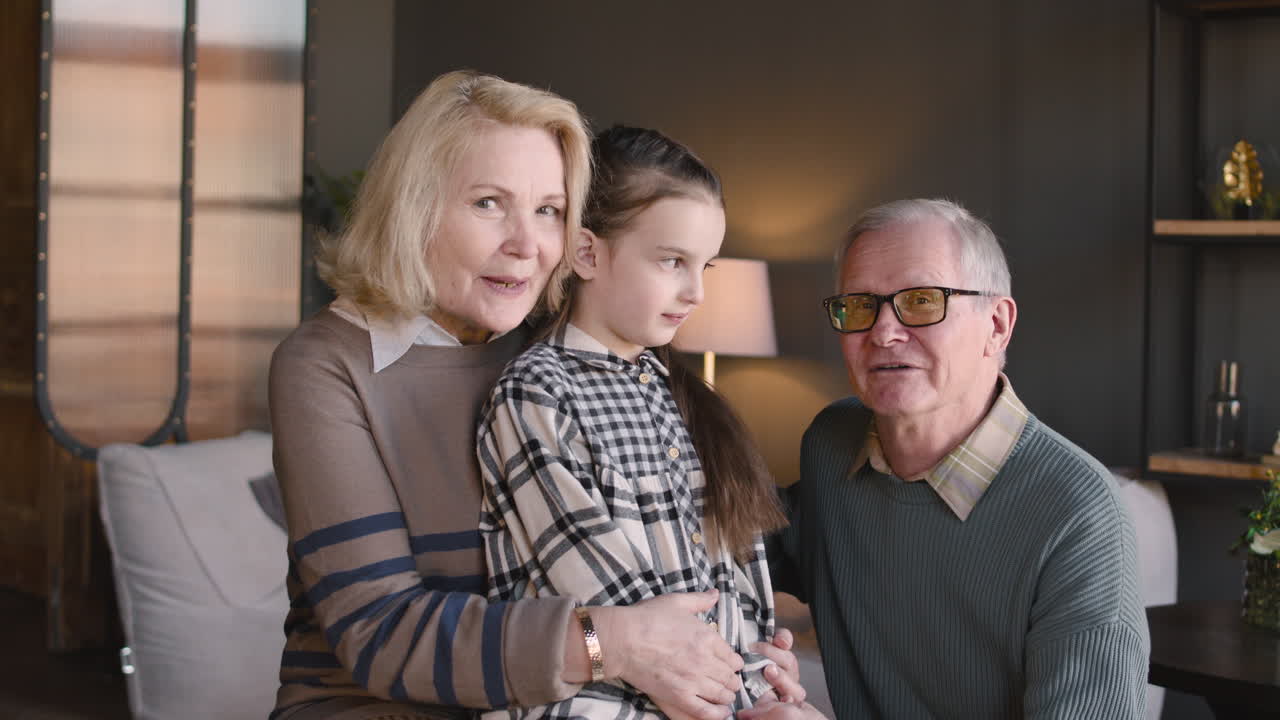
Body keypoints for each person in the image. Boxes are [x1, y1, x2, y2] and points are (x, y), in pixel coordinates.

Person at [269, 73, 801, 720]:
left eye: (549, 209)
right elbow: (380, 632)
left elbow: (666, 563)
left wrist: (738, 664)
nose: (527, 245)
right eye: (489, 203)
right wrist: (616, 644)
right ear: (416, 206)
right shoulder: (327, 365)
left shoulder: (561, 355)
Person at [761, 198, 1150, 719]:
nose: (883, 331)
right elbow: (692, 560)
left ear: (996, 325)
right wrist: (610, 650)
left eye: (922, 300)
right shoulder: (832, 447)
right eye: (858, 305)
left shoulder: (1079, 518)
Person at [475, 126, 791, 720]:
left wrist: (762, 676)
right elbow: (599, 587)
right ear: (589, 254)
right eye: (672, 261)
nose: (695, 291)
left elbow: (735, 576)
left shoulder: (684, 400)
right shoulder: (537, 392)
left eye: (705, 267)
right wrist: (731, 698)